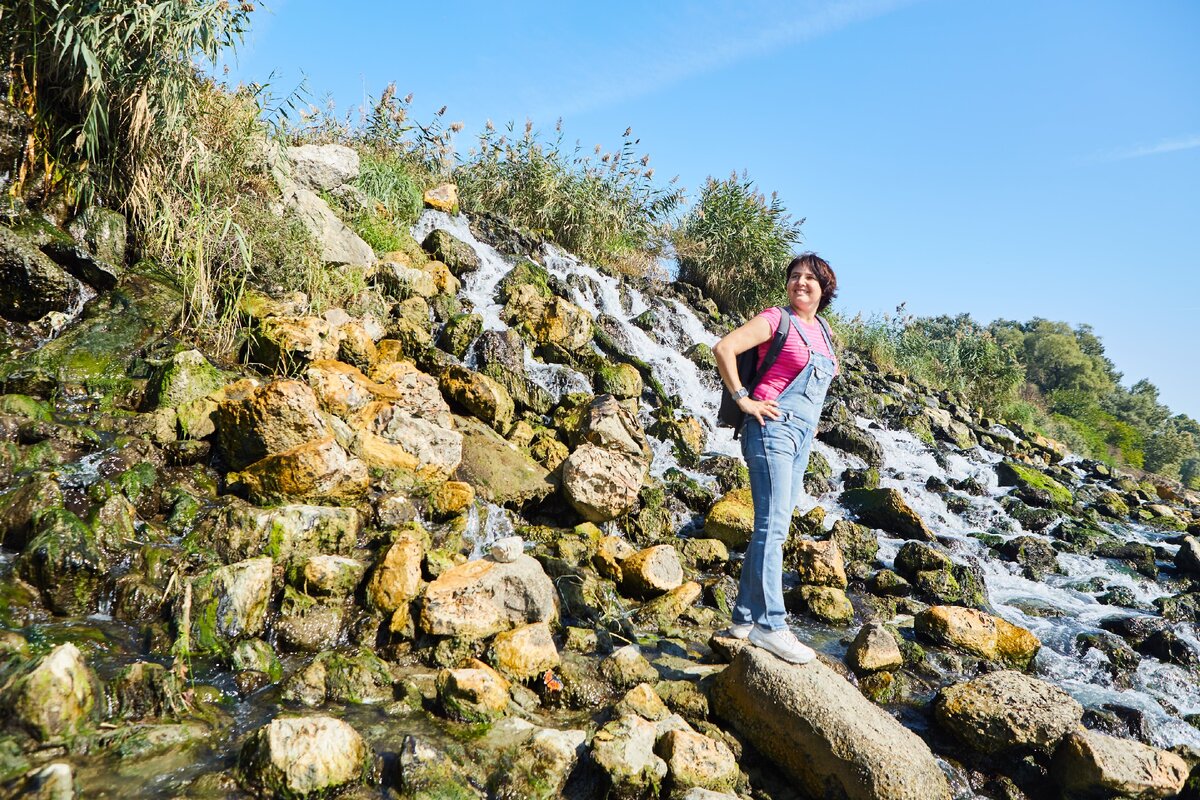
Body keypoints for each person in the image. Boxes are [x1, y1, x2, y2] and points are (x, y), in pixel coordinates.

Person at [712, 253, 839, 663]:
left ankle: (745, 618)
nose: (800, 283)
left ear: (825, 288)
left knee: (774, 527)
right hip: (770, 429)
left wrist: (811, 424)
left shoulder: (823, 330)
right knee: (774, 528)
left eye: (809, 278)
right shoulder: (774, 318)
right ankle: (772, 625)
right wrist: (743, 400)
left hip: (800, 437)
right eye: (794, 276)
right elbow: (724, 347)